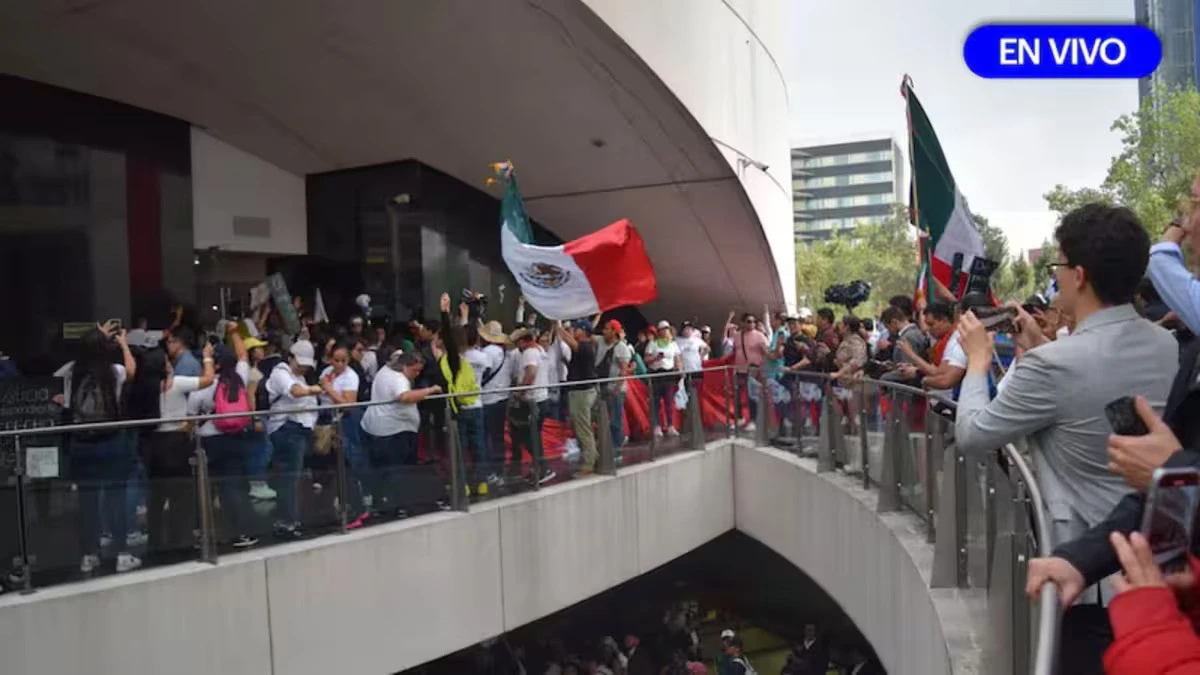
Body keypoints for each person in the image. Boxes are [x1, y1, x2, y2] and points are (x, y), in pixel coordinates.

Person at [954, 203, 1179, 672]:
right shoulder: (1169, 345)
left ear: (1078, 275)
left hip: (1087, 577)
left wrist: (977, 362)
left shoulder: (1053, 365)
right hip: (1163, 572)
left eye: (1058, 266)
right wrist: (1043, 349)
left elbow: (974, 435)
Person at [57, 323, 141, 574]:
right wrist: (122, 343)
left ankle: (88, 555)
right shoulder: (114, 371)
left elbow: (55, 379)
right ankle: (121, 554)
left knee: (87, 501)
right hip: (110, 441)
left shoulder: (72, 372)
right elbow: (132, 371)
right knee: (116, 498)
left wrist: (95, 339)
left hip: (82, 444)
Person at [187, 329, 257, 548]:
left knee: (204, 490)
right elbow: (244, 355)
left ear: (213, 363)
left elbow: (190, 415)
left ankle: (202, 535)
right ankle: (240, 533)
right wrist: (235, 332)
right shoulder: (239, 379)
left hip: (208, 441)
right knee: (233, 487)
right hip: (234, 439)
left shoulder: (203, 386)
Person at [360, 351, 441, 517]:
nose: (417, 375)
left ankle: (381, 502)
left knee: (383, 470)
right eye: (415, 370)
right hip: (393, 431)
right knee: (396, 470)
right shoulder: (398, 379)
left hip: (380, 427)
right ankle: (394, 504)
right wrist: (430, 390)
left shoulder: (384, 371)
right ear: (404, 366)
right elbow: (404, 396)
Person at [265, 339, 323, 540]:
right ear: (290, 358)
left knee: (292, 478)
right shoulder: (281, 373)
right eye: (300, 364)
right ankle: (288, 521)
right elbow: (295, 392)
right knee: (289, 478)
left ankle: (288, 518)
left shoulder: (301, 377)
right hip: (286, 429)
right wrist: (315, 389)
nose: (303, 369)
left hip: (300, 430)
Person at [558, 319, 599, 476]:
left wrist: (559, 326)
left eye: (577, 329)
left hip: (582, 392)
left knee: (583, 428)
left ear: (583, 331)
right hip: (580, 391)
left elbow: (570, 342)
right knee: (582, 426)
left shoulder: (586, 347)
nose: (574, 331)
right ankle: (591, 456)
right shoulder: (587, 346)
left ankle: (589, 464)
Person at [594, 320, 633, 455]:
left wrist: (617, 388)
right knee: (602, 418)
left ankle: (616, 448)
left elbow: (623, 370)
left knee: (615, 419)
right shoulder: (599, 341)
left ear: (614, 331)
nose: (604, 331)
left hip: (615, 389)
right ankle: (606, 445)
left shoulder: (622, 348)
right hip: (602, 387)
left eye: (607, 329)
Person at [645, 320, 682, 438]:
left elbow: (677, 359)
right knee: (655, 402)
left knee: (669, 401)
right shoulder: (653, 344)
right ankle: (656, 426)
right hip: (657, 374)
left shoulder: (673, 344)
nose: (665, 331)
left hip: (669, 374)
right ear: (659, 331)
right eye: (663, 329)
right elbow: (646, 359)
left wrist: (680, 371)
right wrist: (655, 358)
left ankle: (670, 425)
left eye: (667, 329)